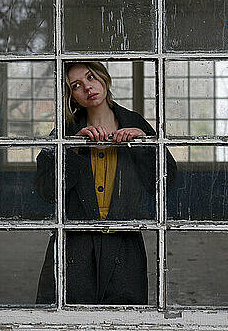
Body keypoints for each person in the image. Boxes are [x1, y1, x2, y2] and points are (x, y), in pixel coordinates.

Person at [35, 61, 177, 304]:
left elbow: (165, 183)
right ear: (72, 96)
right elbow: (47, 190)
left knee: (123, 320)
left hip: (124, 243)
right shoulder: (65, 132)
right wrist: (73, 148)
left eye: (91, 77)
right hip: (75, 246)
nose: (88, 88)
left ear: (103, 76)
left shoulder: (136, 123)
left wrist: (144, 145)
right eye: (77, 85)